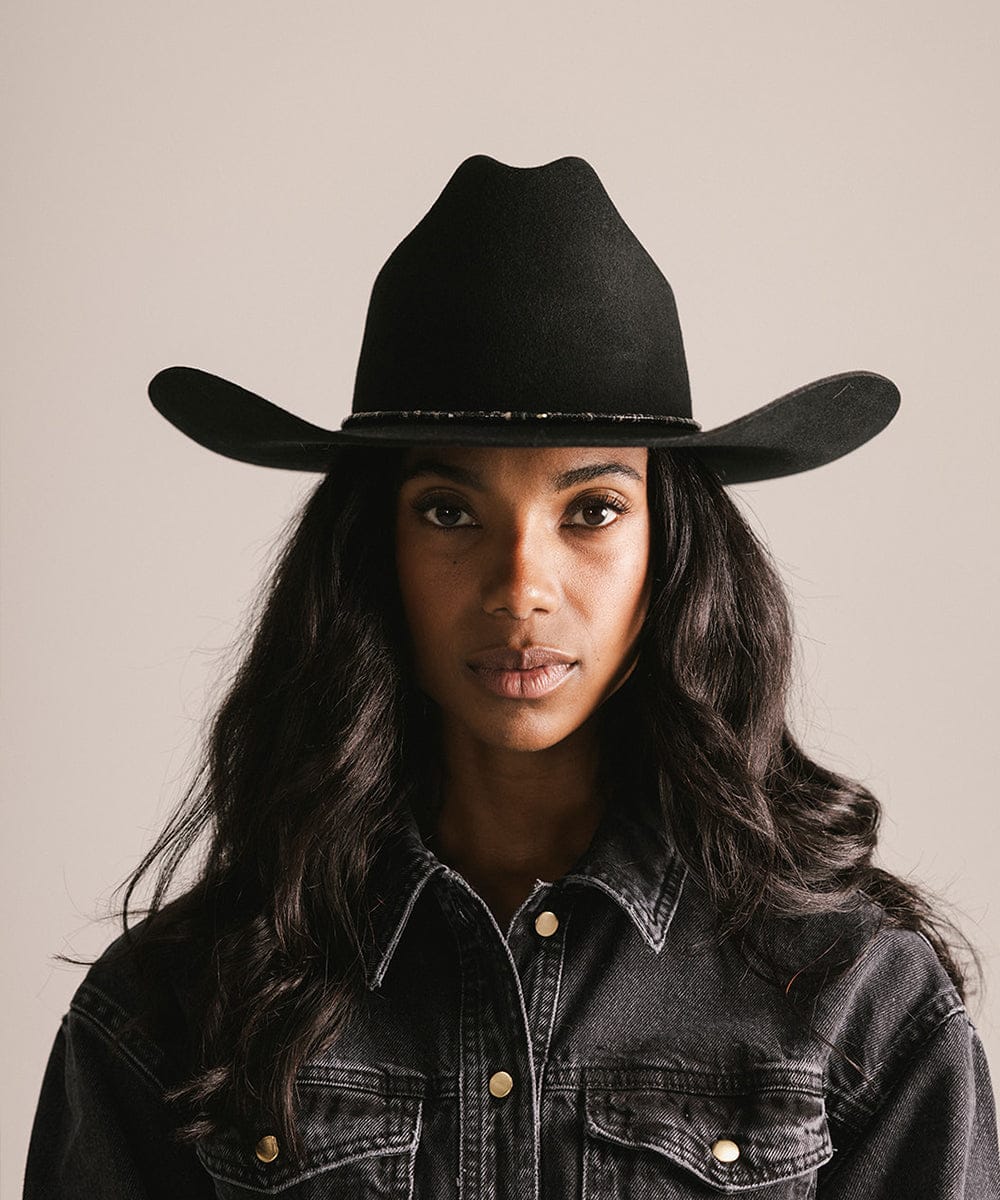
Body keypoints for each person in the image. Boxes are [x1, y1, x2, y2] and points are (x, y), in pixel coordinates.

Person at [24, 155, 999, 1199]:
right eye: (449, 510)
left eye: (592, 510)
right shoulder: (179, 1004)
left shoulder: (853, 996)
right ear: (371, 552)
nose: (520, 587)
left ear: (670, 549)